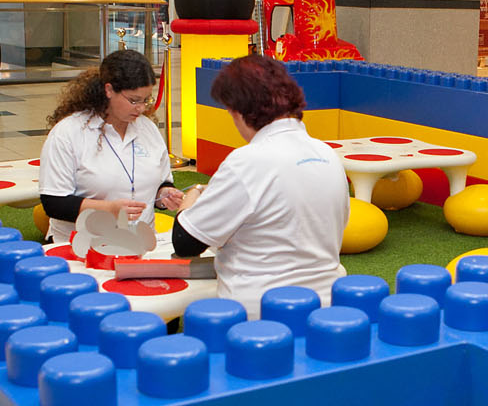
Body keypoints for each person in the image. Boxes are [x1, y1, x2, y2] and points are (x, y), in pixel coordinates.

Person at [170, 54, 350, 318]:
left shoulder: (247, 161)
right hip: (325, 306)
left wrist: (191, 199)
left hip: (261, 313)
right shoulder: (326, 153)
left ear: (239, 111)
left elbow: (185, 242)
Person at [37, 50, 184, 243]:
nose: (141, 108)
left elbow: (161, 181)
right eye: (133, 100)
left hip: (139, 242)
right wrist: (108, 209)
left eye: (146, 99)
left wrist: (164, 194)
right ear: (109, 90)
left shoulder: (147, 128)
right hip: (83, 245)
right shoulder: (68, 133)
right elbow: (54, 203)